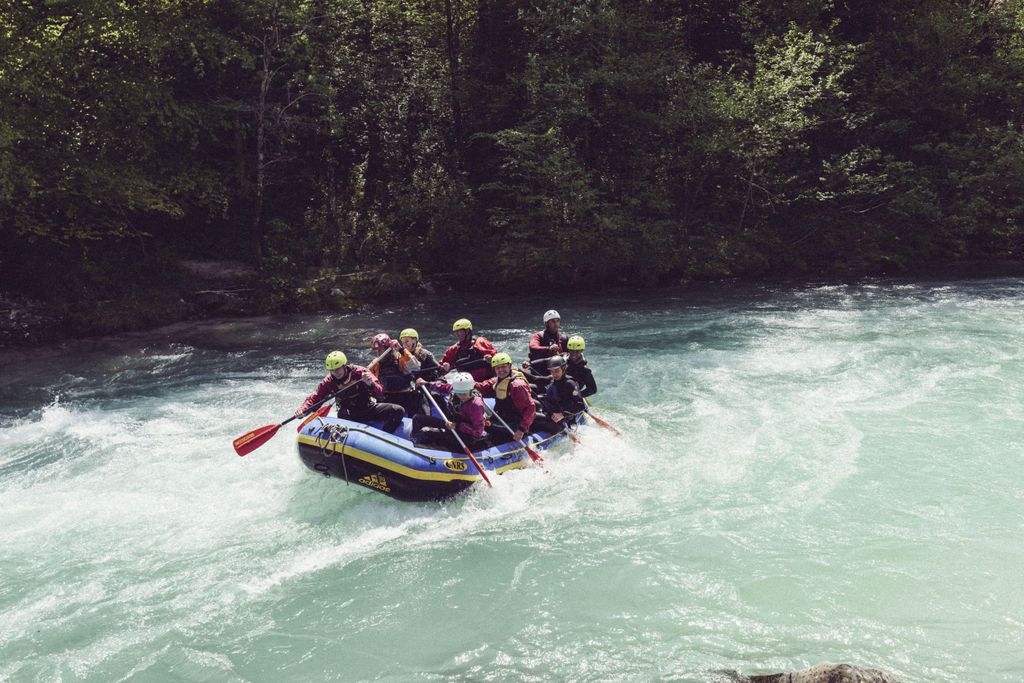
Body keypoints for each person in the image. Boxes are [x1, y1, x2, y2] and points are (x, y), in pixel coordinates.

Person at [295, 350, 405, 433]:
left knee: (398, 410)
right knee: (343, 413)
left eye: (337, 369)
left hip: (367, 408)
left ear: (344, 366)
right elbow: (315, 397)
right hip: (348, 414)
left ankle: (385, 436)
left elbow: (380, 393)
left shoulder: (360, 373)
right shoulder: (328, 382)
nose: (335, 372)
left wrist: (370, 384)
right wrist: (304, 409)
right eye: (332, 370)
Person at [474, 352, 559, 443]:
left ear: (510, 366)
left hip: (517, 422)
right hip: (507, 416)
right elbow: (483, 386)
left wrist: (521, 430)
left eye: (503, 366)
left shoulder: (517, 385)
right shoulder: (498, 379)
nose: (501, 370)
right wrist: (467, 383)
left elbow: (530, 408)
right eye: (498, 368)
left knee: (485, 425)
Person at [410, 372, 489, 451]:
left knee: (425, 433)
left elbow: (478, 431)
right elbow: (442, 387)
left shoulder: (476, 405)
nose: (461, 396)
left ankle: (417, 447)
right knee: (417, 418)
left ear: (471, 389)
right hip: (451, 423)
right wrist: (427, 383)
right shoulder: (455, 389)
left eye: (464, 393)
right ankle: (412, 441)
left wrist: (457, 426)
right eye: (459, 393)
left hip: (465, 435)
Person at [367, 333, 422, 417]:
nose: (378, 353)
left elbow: (416, 367)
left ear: (388, 348)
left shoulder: (400, 359)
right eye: (376, 350)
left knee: (417, 396)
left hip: (404, 397)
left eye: (380, 350)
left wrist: (401, 349)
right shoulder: (375, 364)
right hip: (386, 399)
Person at [541, 355, 587, 431]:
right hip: (556, 415)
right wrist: (549, 413)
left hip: (568, 416)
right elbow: (548, 403)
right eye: (551, 371)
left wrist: (562, 414)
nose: (554, 374)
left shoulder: (570, 383)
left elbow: (580, 405)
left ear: (564, 368)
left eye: (556, 371)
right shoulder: (552, 385)